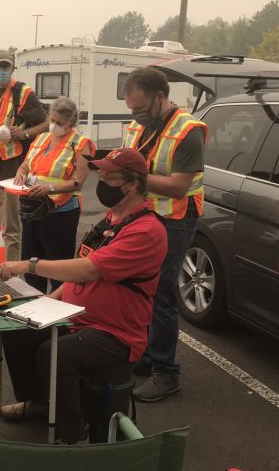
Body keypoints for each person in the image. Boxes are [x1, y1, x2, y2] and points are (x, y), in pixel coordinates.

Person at [0, 148, 168, 444]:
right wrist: (48, 302)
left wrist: (29, 264)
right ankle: (39, 402)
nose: (100, 181)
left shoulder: (147, 231)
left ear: (133, 184)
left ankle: (70, 435)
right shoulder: (112, 218)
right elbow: (79, 274)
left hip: (116, 333)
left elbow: (89, 270)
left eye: (108, 176)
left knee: (54, 353)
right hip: (79, 315)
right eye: (100, 174)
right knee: (17, 328)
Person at [122, 67, 207, 402]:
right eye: (131, 109)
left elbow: (178, 186)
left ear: (160, 97)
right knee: (138, 286)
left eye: (141, 109)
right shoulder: (138, 123)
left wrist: (132, 179)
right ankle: (145, 355)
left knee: (162, 292)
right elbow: (132, 159)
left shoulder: (187, 131)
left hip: (175, 219)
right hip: (142, 215)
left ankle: (166, 372)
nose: (136, 116)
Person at [0, 49, 47, 264]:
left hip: (9, 174)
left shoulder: (22, 93)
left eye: (6, 68)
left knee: (11, 231)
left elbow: (46, 123)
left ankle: (10, 279)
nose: (2, 72)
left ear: (12, 69)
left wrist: (24, 133)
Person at [14, 96, 95, 292]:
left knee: (58, 268)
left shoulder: (80, 143)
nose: (53, 125)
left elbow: (78, 182)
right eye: (51, 120)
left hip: (60, 214)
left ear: (71, 122)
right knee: (31, 267)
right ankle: (35, 307)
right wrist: (20, 172)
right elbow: (26, 165)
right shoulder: (42, 138)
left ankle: (58, 313)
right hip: (33, 210)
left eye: (59, 123)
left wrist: (48, 189)